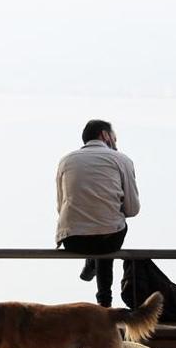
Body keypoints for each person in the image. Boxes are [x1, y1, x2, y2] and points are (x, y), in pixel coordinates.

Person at [56, 119, 140, 307]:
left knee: (101, 231)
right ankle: (104, 301)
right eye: (114, 138)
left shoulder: (66, 161)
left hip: (72, 240)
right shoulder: (121, 159)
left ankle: (91, 265)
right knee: (107, 231)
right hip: (107, 239)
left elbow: (60, 206)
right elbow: (132, 209)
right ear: (105, 135)